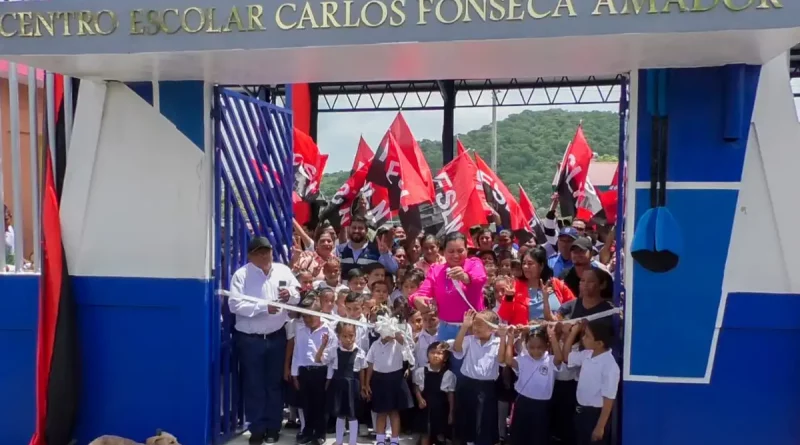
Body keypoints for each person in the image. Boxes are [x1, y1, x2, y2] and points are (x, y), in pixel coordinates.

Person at [229, 236, 299, 444]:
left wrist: (291, 296)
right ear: (251, 256)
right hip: (251, 339)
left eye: (267, 251)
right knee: (254, 384)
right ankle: (257, 428)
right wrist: (263, 308)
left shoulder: (283, 270)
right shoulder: (242, 275)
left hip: (277, 336)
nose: (264, 255)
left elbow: (297, 295)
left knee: (274, 384)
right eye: (259, 252)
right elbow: (235, 305)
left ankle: (273, 427)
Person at [410, 232, 487, 347]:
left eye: (460, 251)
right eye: (451, 251)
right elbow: (421, 293)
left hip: (474, 328)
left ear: (467, 250)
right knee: (447, 363)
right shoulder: (436, 270)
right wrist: (417, 299)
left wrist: (465, 277)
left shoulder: (474, 263)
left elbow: (480, 278)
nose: (456, 255)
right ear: (443, 252)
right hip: (447, 330)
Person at [452, 309, 507, 445]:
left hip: (486, 387)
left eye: (480, 324)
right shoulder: (469, 340)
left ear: (492, 328)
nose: (475, 328)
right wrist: (465, 327)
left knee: (484, 419)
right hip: (467, 384)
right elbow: (457, 349)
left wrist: (504, 337)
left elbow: (501, 360)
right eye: (474, 324)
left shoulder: (498, 343)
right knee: (467, 416)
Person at [505, 325, 564, 445]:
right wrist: (510, 339)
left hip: (541, 406)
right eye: (531, 347)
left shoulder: (550, 360)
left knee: (538, 437)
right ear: (526, 345)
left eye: (539, 347)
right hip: (522, 402)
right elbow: (508, 361)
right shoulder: (523, 359)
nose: (535, 351)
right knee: (519, 436)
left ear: (547, 346)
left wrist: (552, 336)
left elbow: (559, 358)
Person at [563, 320, 620, 445]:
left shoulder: (609, 366)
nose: (583, 338)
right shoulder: (587, 354)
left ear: (599, 343)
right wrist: (573, 333)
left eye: (587, 336)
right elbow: (566, 357)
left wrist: (600, 427)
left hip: (595, 415)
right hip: (581, 412)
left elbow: (609, 399)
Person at [365, 306, 414, 445]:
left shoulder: (398, 344)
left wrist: (399, 337)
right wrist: (367, 383)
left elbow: (409, 349)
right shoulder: (375, 345)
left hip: (396, 380)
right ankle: (380, 440)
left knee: (394, 412)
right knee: (381, 413)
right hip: (379, 380)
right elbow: (369, 364)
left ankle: (394, 440)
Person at [292, 296, 336, 445]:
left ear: (319, 313)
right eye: (304, 316)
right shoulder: (300, 330)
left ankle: (319, 432)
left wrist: (329, 377)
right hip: (305, 371)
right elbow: (297, 353)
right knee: (306, 404)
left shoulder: (328, 330)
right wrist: (295, 374)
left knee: (320, 405)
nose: (307, 319)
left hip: (321, 372)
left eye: (310, 315)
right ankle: (307, 431)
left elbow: (331, 357)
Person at [316, 322, 367, 445]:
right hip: (339, 386)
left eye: (351, 335)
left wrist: (364, 387)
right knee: (340, 415)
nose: (348, 339)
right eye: (344, 336)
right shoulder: (334, 350)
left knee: (352, 415)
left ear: (355, 335)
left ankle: (352, 442)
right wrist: (323, 345)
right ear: (339, 336)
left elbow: (361, 370)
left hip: (353, 386)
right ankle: (339, 441)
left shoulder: (360, 352)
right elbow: (318, 359)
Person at [498, 247, 575, 326]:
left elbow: (574, 307)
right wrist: (509, 297)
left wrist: (559, 318)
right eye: (523, 263)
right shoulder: (514, 286)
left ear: (541, 265)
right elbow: (504, 317)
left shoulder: (556, 284)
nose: (525, 266)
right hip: (524, 336)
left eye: (530, 263)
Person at [412, 342, 456, 445]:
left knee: (440, 434)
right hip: (425, 409)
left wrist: (451, 413)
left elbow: (450, 395)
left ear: (445, 357)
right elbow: (416, 387)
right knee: (425, 433)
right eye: (432, 352)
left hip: (441, 410)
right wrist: (419, 398)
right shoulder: (421, 371)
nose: (435, 355)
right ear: (427, 354)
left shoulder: (448, 375)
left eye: (439, 353)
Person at [337, 215, 398, 280]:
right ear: (349, 229)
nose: (356, 231)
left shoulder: (376, 250)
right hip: (344, 289)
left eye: (360, 228)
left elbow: (393, 269)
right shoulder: (339, 250)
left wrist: (385, 253)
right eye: (354, 228)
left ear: (366, 231)